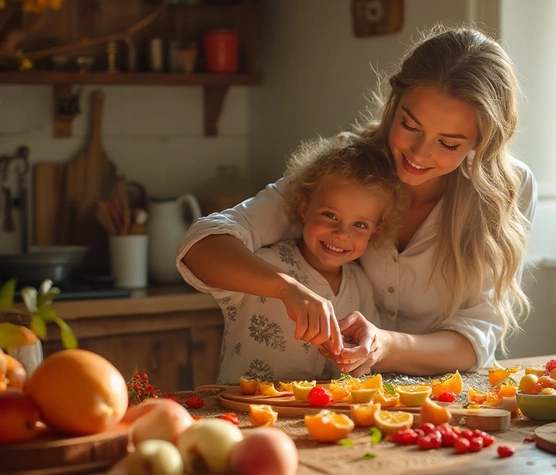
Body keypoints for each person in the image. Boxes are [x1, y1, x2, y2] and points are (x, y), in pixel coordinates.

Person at [177, 24, 537, 378]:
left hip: (452, 397)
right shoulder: (344, 167)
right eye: (410, 125)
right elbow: (203, 246)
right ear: (395, 101)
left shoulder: (507, 190)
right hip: (355, 399)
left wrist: (384, 345)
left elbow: (476, 338)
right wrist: (286, 288)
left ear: (482, 142)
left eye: (448, 144)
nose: (418, 154)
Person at [207, 136, 407, 383]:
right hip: (242, 413)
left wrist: (355, 359)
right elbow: (203, 264)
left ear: (375, 230)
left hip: (321, 418)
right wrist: (284, 288)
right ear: (304, 208)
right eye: (330, 215)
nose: (342, 233)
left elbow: (365, 363)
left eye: (359, 224)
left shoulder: (363, 285)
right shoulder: (262, 263)